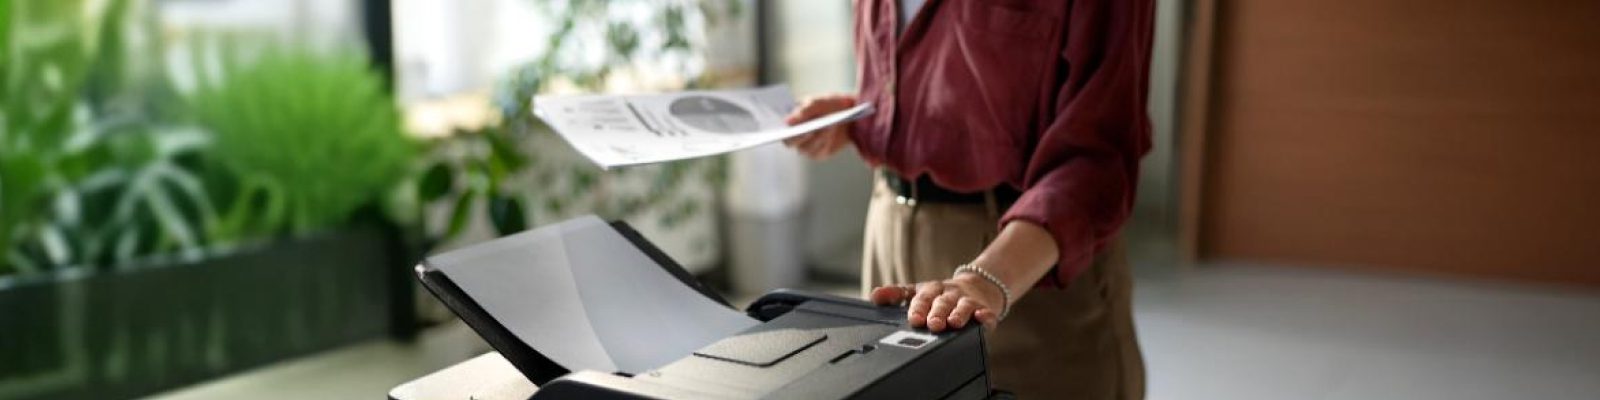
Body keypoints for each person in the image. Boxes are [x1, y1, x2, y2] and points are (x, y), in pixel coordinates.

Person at [783, 0, 1154, 398]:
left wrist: (984, 281)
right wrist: (867, 120)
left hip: (1021, 273)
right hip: (887, 241)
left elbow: (1096, 160)